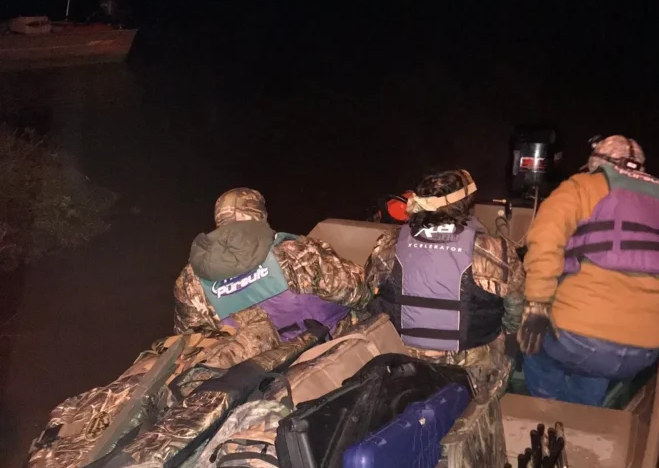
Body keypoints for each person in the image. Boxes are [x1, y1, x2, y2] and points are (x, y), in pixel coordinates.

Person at [518, 135, 659, 405]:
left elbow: (545, 241)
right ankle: (583, 418)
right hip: (645, 351)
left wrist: (537, 303)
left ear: (597, 163)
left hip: (576, 341)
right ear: (640, 169)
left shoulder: (580, 187)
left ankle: (545, 411)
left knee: (532, 345)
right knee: (597, 366)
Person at [365, 168, 525, 400]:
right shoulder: (495, 250)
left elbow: (369, 290)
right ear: (468, 203)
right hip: (470, 365)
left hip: (402, 359)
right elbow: (515, 309)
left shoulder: (388, 243)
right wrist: (507, 331)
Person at [174, 187, 371, 339]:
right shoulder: (294, 252)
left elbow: (191, 338)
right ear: (261, 215)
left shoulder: (191, 279)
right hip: (321, 351)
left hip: (258, 375)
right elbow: (358, 292)